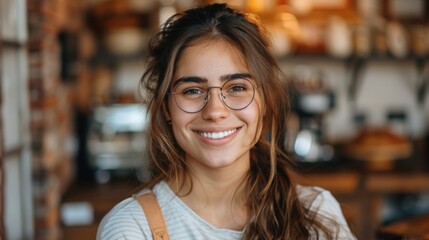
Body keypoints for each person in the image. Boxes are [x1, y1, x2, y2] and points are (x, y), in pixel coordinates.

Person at [97, 3, 356, 240]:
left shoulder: (316, 213)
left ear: (264, 102)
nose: (215, 111)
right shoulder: (131, 228)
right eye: (192, 90)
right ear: (166, 106)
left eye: (237, 87)